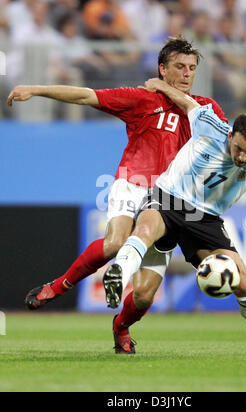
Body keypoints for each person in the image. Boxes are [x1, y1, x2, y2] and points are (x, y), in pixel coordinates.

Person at [7, 36, 227, 354]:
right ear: (162, 69)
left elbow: (228, 142)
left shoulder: (206, 109)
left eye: (192, 68)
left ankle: (120, 326)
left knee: (145, 295)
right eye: (179, 67)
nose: (186, 74)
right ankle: (57, 287)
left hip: (170, 201)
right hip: (133, 183)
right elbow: (86, 96)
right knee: (115, 243)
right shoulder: (140, 99)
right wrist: (36, 89)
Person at [103, 77, 246, 356]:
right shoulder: (210, 125)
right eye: (238, 148)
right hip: (169, 198)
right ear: (231, 135)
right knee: (145, 229)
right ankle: (118, 273)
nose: (241, 157)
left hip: (204, 220)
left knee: (240, 279)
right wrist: (160, 85)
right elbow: (187, 101)